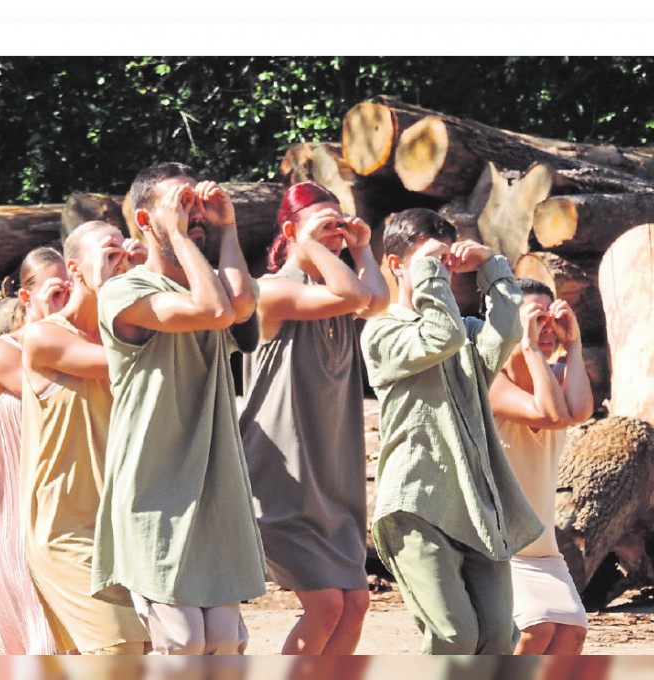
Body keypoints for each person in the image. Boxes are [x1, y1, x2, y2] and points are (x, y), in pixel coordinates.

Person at [92, 162, 265, 655]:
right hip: (154, 487)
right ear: (144, 222)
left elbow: (240, 306)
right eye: (180, 205)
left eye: (196, 204)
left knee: (225, 644)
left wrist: (227, 226)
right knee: (184, 642)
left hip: (213, 484)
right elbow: (213, 311)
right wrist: (177, 233)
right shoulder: (124, 291)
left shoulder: (203, 283)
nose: (194, 214)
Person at [361, 207, 542, 655]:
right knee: (453, 636)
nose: (440, 272)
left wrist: (492, 265)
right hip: (416, 503)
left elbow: (505, 331)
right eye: (428, 262)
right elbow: (440, 336)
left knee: (499, 639)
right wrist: (430, 274)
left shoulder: (468, 332)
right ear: (397, 265)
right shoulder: (381, 333)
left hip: (478, 504)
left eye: (445, 263)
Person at [238, 182, 389, 655]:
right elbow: (353, 296)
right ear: (290, 231)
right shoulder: (272, 292)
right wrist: (310, 245)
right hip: (282, 475)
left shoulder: (338, 289)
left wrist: (361, 247)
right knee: (325, 605)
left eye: (340, 226)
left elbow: (377, 301)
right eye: (327, 226)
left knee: (356, 602)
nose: (337, 235)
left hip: (332, 473)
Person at [23, 222, 151, 655]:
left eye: (124, 251)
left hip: (133, 528)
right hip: (67, 530)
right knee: (122, 652)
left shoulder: (134, 333)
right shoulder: (46, 336)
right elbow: (124, 363)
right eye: (108, 252)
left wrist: (149, 275)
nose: (120, 259)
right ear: (74, 268)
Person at [0, 246, 69, 655]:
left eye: (72, 289)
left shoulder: (77, 349)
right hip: (12, 510)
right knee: (41, 638)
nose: (67, 298)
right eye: (56, 291)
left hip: (67, 504)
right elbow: (50, 393)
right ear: (26, 297)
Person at [489, 279, 593, 655]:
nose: (546, 328)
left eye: (550, 318)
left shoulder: (560, 376)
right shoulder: (491, 382)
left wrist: (575, 344)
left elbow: (579, 411)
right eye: (534, 318)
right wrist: (530, 347)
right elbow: (550, 414)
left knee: (571, 633)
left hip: (544, 548)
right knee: (535, 631)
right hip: (501, 548)